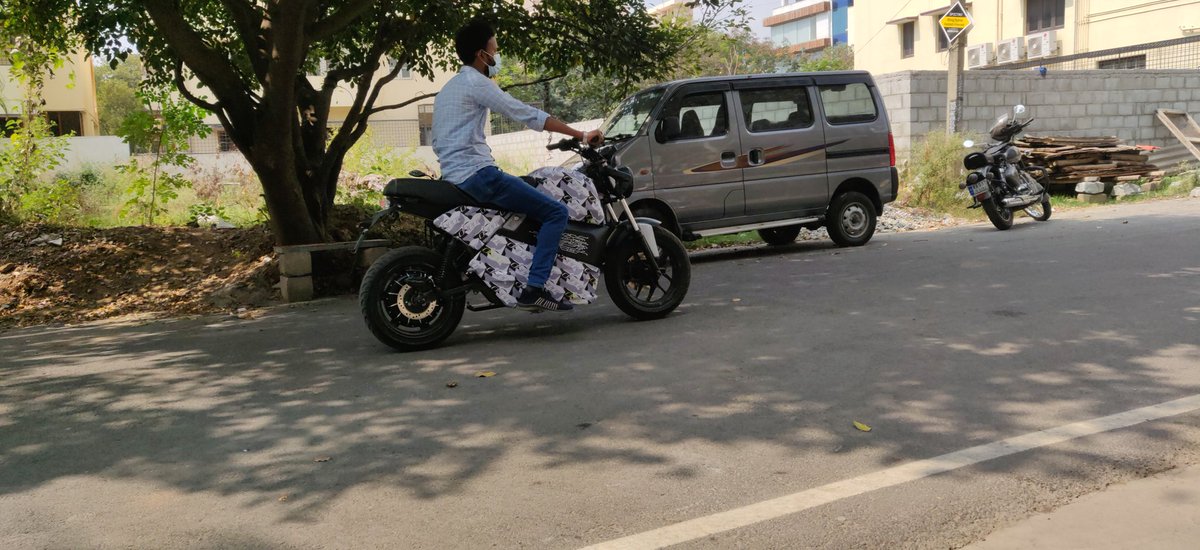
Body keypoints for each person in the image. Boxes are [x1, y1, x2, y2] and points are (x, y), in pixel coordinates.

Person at [432, 17, 603, 312]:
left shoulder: (449, 88)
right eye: (495, 50)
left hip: (455, 175)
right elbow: (525, 113)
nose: (497, 55)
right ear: (481, 54)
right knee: (556, 212)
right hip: (480, 175)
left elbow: (438, 140)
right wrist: (582, 135)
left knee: (527, 191)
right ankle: (534, 289)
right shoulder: (476, 82)